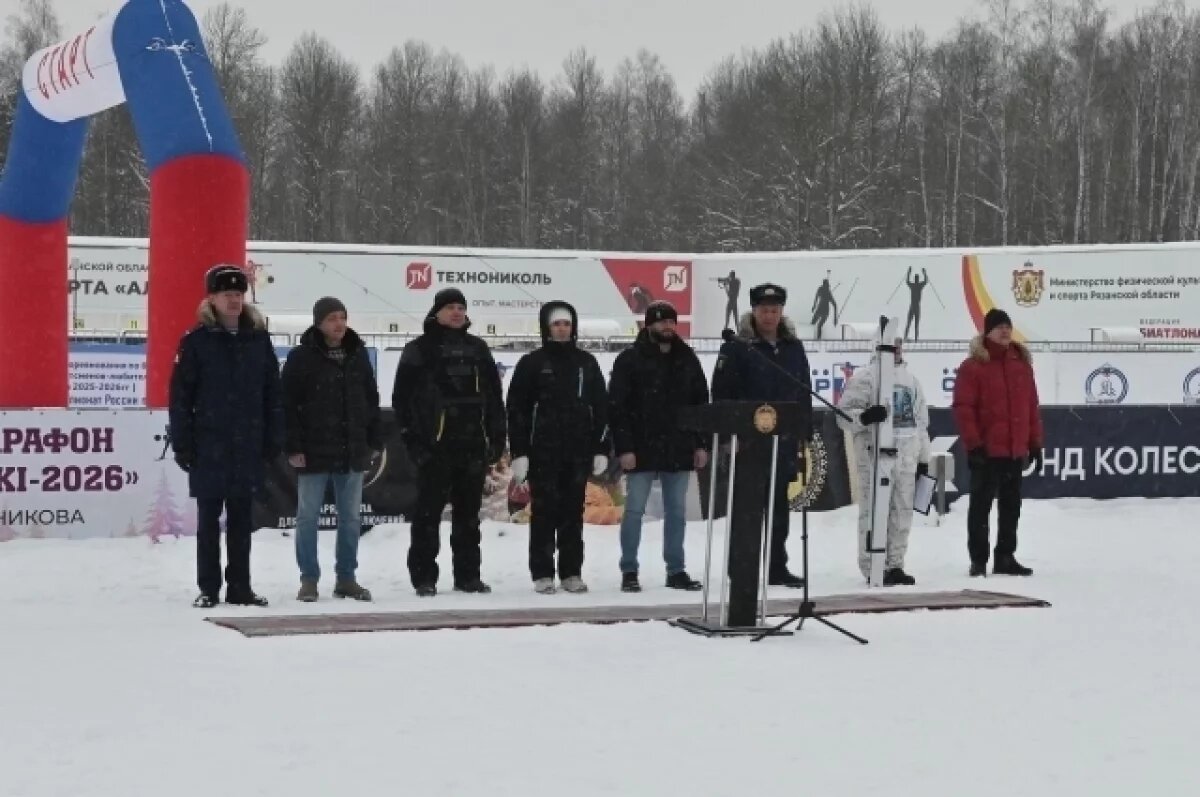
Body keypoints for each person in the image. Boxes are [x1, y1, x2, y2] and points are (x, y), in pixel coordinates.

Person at [169, 265, 283, 608]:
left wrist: (272, 439)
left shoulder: (258, 340)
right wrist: (183, 444)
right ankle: (209, 587)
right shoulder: (197, 342)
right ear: (212, 299)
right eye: (227, 295)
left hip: (247, 445)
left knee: (241, 523)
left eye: (238, 294)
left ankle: (240, 587)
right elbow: (181, 398)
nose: (234, 301)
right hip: (209, 446)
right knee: (208, 523)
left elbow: (272, 395)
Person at [392, 288, 506, 596]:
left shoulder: (478, 348)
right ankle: (424, 578)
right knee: (427, 518)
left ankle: (468, 576)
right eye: (450, 307)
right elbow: (401, 402)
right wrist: (414, 445)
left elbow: (494, 398)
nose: (457, 312)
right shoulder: (418, 349)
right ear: (437, 312)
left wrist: (497, 437)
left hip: (472, 447)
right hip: (434, 449)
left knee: (468, 519)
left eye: (461, 307)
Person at [281, 296, 382, 603]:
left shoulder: (357, 354)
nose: (339, 324)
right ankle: (309, 579)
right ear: (319, 323)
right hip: (313, 450)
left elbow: (370, 400)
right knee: (307, 517)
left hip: (352, 448)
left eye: (342, 317)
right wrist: (293, 445)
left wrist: (374, 440)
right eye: (332, 318)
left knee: (350, 518)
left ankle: (346, 578)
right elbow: (287, 405)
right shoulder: (301, 357)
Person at [505, 301, 610, 594]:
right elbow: (517, 410)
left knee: (572, 514)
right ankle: (542, 573)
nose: (562, 329)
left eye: (566, 324)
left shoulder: (586, 363)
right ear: (547, 327)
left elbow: (601, 408)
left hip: (577, 452)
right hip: (542, 452)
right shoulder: (532, 363)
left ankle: (571, 572)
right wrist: (520, 452)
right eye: (556, 324)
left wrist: (601, 448)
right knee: (543, 512)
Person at [711, 283, 809, 588]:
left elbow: (803, 390)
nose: (769, 316)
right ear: (754, 311)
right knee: (746, 511)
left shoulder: (793, 347)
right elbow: (721, 393)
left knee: (779, 510)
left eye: (775, 310)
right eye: (764, 310)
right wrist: (730, 436)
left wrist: (802, 431)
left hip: (783, 442)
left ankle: (777, 567)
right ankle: (741, 570)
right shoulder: (738, 347)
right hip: (748, 443)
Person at [609, 301, 709, 593]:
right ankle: (629, 570)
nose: (667, 327)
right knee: (634, 511)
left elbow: (700, 404)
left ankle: (676, 570)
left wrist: (700, 443)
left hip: (679, 446)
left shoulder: (687, 358)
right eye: (661, 321)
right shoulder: (629, 359)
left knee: (676, 512)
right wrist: (624, 448)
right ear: (648, 325)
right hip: (640, 447)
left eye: (671, 322)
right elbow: (617, 407)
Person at [952, 308, 1042, 577]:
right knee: (980, 508)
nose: (1005, 331)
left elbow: (1031, 407)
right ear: (987, 332)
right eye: (999, 327)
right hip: (986, 451)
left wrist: (1035, 443)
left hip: (1014, 451)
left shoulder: (1022, 366)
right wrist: (973, 444)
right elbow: (964, 408)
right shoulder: (973, 367)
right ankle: (978, 560)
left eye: (1007, 326)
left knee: (1011, 508)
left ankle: (1005, 556)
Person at [836, 332, 931, 585]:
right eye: (891, 345)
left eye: (899, 345)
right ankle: (872, 565)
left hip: (907, 458)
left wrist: (923, 458)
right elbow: (843, 415)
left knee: (902, 513)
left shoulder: (912, 381)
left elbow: (921, 423)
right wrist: (865, 417)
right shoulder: (864, 378)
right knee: (873, 511)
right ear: (878, 347)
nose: (896, 349)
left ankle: (895, 564)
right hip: (874, 455)